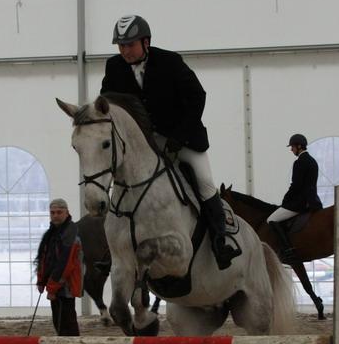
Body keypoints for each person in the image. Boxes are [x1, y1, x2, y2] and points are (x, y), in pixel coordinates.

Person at [100, 14, 241, 270]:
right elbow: (107, 104)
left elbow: (197, 97)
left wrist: (178, 137)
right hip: (144, 142)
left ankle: (221, 242)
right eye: (121, 46)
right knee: (123, 184)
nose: (125, 51)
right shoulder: (114, 67)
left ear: (146, 42)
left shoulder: (170, 62)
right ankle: (114, 251)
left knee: (204, 182)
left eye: (129, 45)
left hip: (183, 139)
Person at [26, 198, 84, 344]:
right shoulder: (51, 234)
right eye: (52, 212)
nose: (56, 215)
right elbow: (44, 258)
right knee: (59, 322)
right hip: (55, 286)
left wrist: (51, 287)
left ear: (67, 213)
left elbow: (65, 264)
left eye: (59, 212)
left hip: (66, 287)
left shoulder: (70, 234)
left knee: (68, 324)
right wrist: (41, 280)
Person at [266, 133, 323, 264]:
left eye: (292, 147)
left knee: (271, 219)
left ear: (299, 146)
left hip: (300, 203)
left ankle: (288, 250)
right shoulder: (313, 161)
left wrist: (285, 201)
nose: (291, 149)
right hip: (313, 201)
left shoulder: (299, 162)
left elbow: (296, 186)